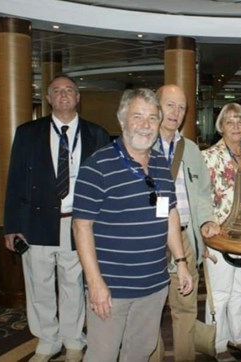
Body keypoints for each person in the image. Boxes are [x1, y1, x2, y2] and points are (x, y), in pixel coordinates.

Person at [72, 88, 193, 361]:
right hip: (112, 288)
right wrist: (95, 283)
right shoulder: (97, 166)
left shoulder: (162, 163)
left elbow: (170, 213)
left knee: (139, 353)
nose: (145, 125)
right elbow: (81, 227)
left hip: (153, 285)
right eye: (137, 116)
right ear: (122, 119)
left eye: (152, 118)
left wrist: (181, 262)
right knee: (102, 355)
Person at [3, 74, 110, 362]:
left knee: (74, 284)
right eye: (57, 91)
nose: (63, 95)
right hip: (36, 223)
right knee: (39, 284)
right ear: (48, 99)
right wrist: (12, 226)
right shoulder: (27, 133)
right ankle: (47, 340)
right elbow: (13, 182)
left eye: (69, 90)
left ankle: (74, 340)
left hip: (79, 224)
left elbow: (105, 183)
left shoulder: (96, 134)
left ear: (78, 97)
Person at [150, 84, 220, 362]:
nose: (176, 112)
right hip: (150, 243)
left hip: (185, 242)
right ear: (156, 106)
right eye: (170, 105)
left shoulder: (190, 149)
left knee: (185, 309)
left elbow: (202, 194)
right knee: (150, 312)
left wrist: (204, 226)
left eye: (181, 107)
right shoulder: (141, 144)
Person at [202, 102, 241, 362]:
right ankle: (218, 343)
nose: (235, 126)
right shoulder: (208, 157)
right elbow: (200, 199)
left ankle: (238, 336)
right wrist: (204, 235)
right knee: (219, 292)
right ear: (220, 126)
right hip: (219, 236)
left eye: (240, 121)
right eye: (229, 121)